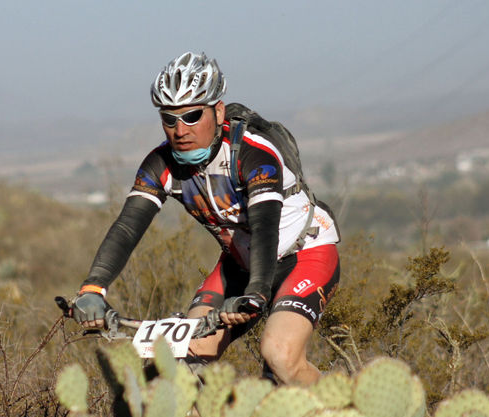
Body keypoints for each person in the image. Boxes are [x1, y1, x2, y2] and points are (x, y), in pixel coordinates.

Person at [72, 52, 340, 385]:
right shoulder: (161, 164)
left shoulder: (253, 153)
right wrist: (93, 287)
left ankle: (343, 409)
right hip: (239, 266)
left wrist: (257, 292)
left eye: (192, 116)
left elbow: (265, 227)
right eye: (169, 119)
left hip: (304, 255)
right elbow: (127, 227)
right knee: (185, 358)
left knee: (280, 355)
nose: (180, 130)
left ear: (218, 111)